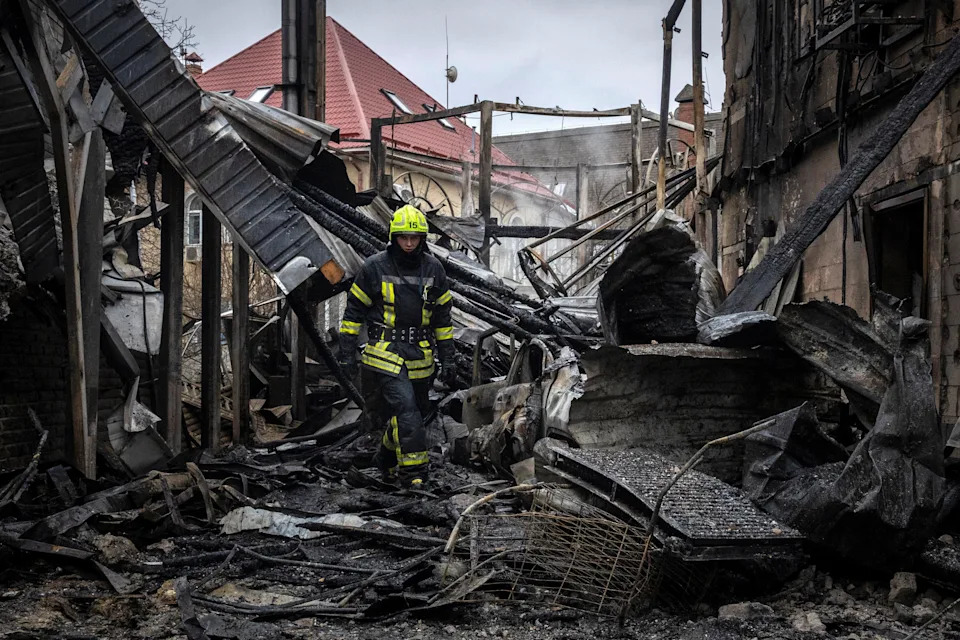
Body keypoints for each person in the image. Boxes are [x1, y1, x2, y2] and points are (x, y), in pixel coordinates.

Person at [337, 205, 456, 488]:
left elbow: (442, 318)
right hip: (385, 353)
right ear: (394, 237)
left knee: (414, 415)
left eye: (414, 238)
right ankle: (414, 476)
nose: (409, 243)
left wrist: (448, 359)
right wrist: (346, 354)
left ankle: (385, 460)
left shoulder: (434, 269)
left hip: (421, 355)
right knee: (407, 411)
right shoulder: (374, 267)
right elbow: (353, 313)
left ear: (423, 239)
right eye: (403, 237)